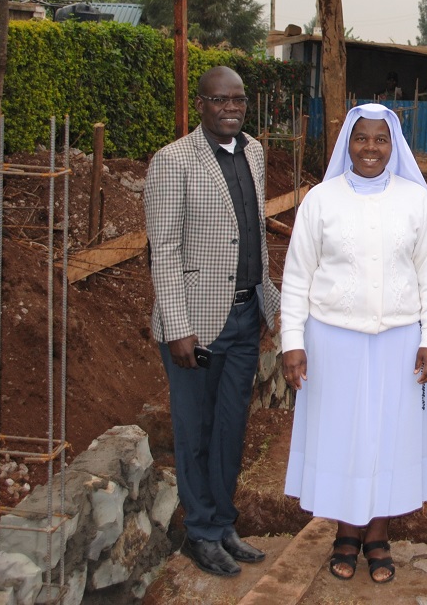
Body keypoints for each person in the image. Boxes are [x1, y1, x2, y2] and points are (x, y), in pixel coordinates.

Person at [280, 103, 427, 584]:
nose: (370, 148)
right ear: (346, 144)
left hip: (398, 340)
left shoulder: (415, 201)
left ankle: (378, 534)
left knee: (386, 438)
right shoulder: (321, 200)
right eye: (361, 138)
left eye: (380, 140)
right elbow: (296, 277)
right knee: (344, 438)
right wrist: (293, 342)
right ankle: (345, 533)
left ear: (393, 146)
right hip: (332, 340)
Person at [143, 66, 281, 577]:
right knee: (195, 428)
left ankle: (223, 523)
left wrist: (271, 303)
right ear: (201, 104)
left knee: (230, 427)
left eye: (238, 99)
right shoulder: (173, 161)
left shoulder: (254, 152)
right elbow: (165, 250)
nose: (231, 108)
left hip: (245, 318)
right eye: (220, 100)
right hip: (196, 325)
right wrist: (177, 327)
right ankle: (198, 531)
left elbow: (254, 236)